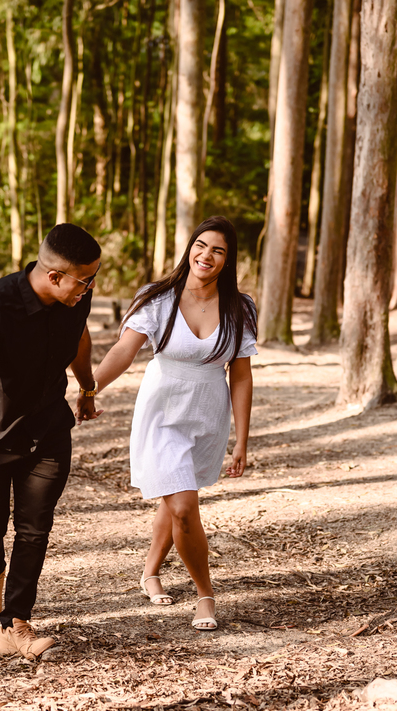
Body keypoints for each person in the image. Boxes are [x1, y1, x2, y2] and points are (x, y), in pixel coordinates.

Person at [88, 216, 255, 631]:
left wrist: (241, 440)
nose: (207, 255)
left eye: (218, 249)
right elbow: (124, 351)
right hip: (163, 411)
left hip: (207, 413)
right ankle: (206, 595)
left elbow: (242, 375)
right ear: (189, 247)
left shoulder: (240, 306)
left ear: (228, 259)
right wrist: (90, 389)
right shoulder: (159, 296)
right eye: (201, 245)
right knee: (183, 505)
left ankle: (149, 572)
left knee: (175, 494)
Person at [0, 224, 101, 660]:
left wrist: (86, 387)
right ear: (54, 276)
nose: (89, 289)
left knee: (35, 528)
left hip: (48, 429)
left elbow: (79, 336)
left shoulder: (76, 295)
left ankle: (14, 623)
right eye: (84, 281)